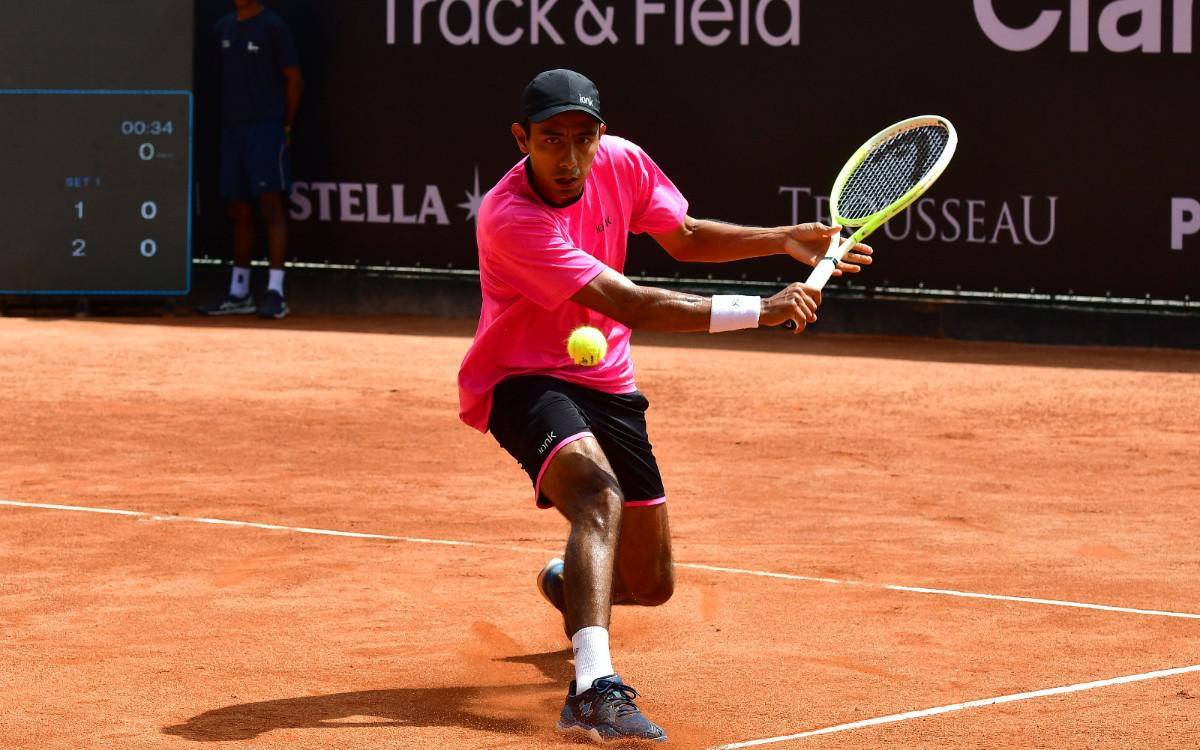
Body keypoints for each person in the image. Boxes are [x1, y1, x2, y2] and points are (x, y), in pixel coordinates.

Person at [457, 69, 872, 743]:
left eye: (582, 138)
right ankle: (592, 688)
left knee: (650, 585)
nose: (568, 158)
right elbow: (631, 304)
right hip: (522, 376)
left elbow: (684, 235)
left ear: (602, 134)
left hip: (607, 378)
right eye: (550, 140)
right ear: (521, 140)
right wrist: (759, 310)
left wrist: (782, 238)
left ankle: (573, 587)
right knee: (596, 494)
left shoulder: (621, 162)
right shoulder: (511, 219)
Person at [199, 0, 303, 320]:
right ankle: (239, 291)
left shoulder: (274, 26)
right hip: (233, 129)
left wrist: (285, 125)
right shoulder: (222, 27)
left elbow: (294, 78)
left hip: (266, 127)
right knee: (239, 210)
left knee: (270, 205)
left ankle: (276, 291)